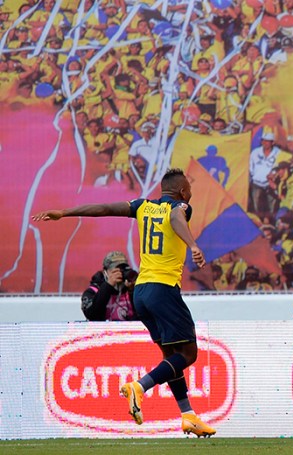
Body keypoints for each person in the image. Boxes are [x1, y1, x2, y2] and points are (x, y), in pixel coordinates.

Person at [31, 168, 216, 437]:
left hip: (140, 293)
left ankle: (188, 415)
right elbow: (177, 217)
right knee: (188, 355)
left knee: (171, 356)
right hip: (163, 290)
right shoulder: (180, 206)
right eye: (189, 191)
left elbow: (104, 208)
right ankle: (139, 387)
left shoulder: (142, 206)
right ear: (182, 191)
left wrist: (65, 212)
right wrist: (193, 245)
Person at [81, 251, 137, 321]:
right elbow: (92, 315)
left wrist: (132, 291)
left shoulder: (131, 289)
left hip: (129, 327)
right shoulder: (92, 291)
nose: (120, 273)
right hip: (102, 328)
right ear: (105, 272)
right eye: (116, 270)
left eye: (123, 269)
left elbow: (143, 315)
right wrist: (108, 286)